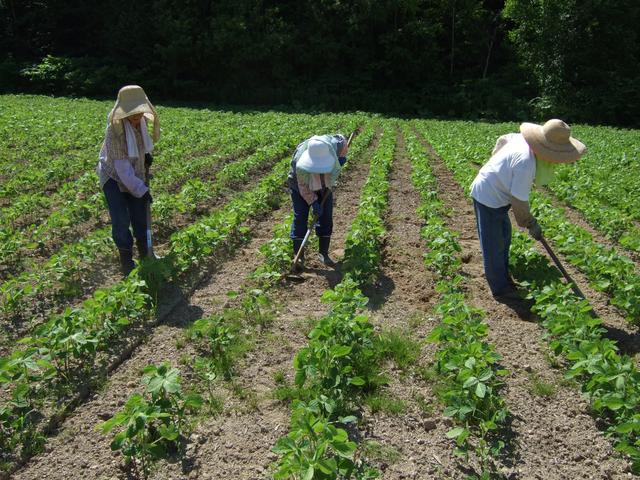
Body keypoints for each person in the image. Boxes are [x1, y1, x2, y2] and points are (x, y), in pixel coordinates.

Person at [470, 119, 586, 300]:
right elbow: (519, 202)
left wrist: (496, 165)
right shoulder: (526, 164)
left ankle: (503, 273)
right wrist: (531, 224)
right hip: (487, 196)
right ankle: (500, 289)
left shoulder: (523, 139)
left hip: (497, 193)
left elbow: (503, 139)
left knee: (505, 235)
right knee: (493, 243)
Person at [97, 85, 160, 276]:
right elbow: (122, 170)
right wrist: (142, 190)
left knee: (140, 215)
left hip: (134, 172)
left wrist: (146, 155)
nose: (136, 116)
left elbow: (140, 146)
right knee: (121, 219)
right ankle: (126, 261)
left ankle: (146, 254)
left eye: (139, 111)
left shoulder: (140, 123)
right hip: (114, 177)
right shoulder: (114, 132)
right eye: (132, 112)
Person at [288, 134, 349, 271]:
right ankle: (299, 256)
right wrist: (313, 202)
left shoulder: (336, 145)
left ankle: (323, 253)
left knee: (326, 216)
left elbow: (343, 144)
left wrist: (340, 160)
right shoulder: (300, 165)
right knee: (300, 217)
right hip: (299, 187)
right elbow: (303, 188)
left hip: (324, 185)